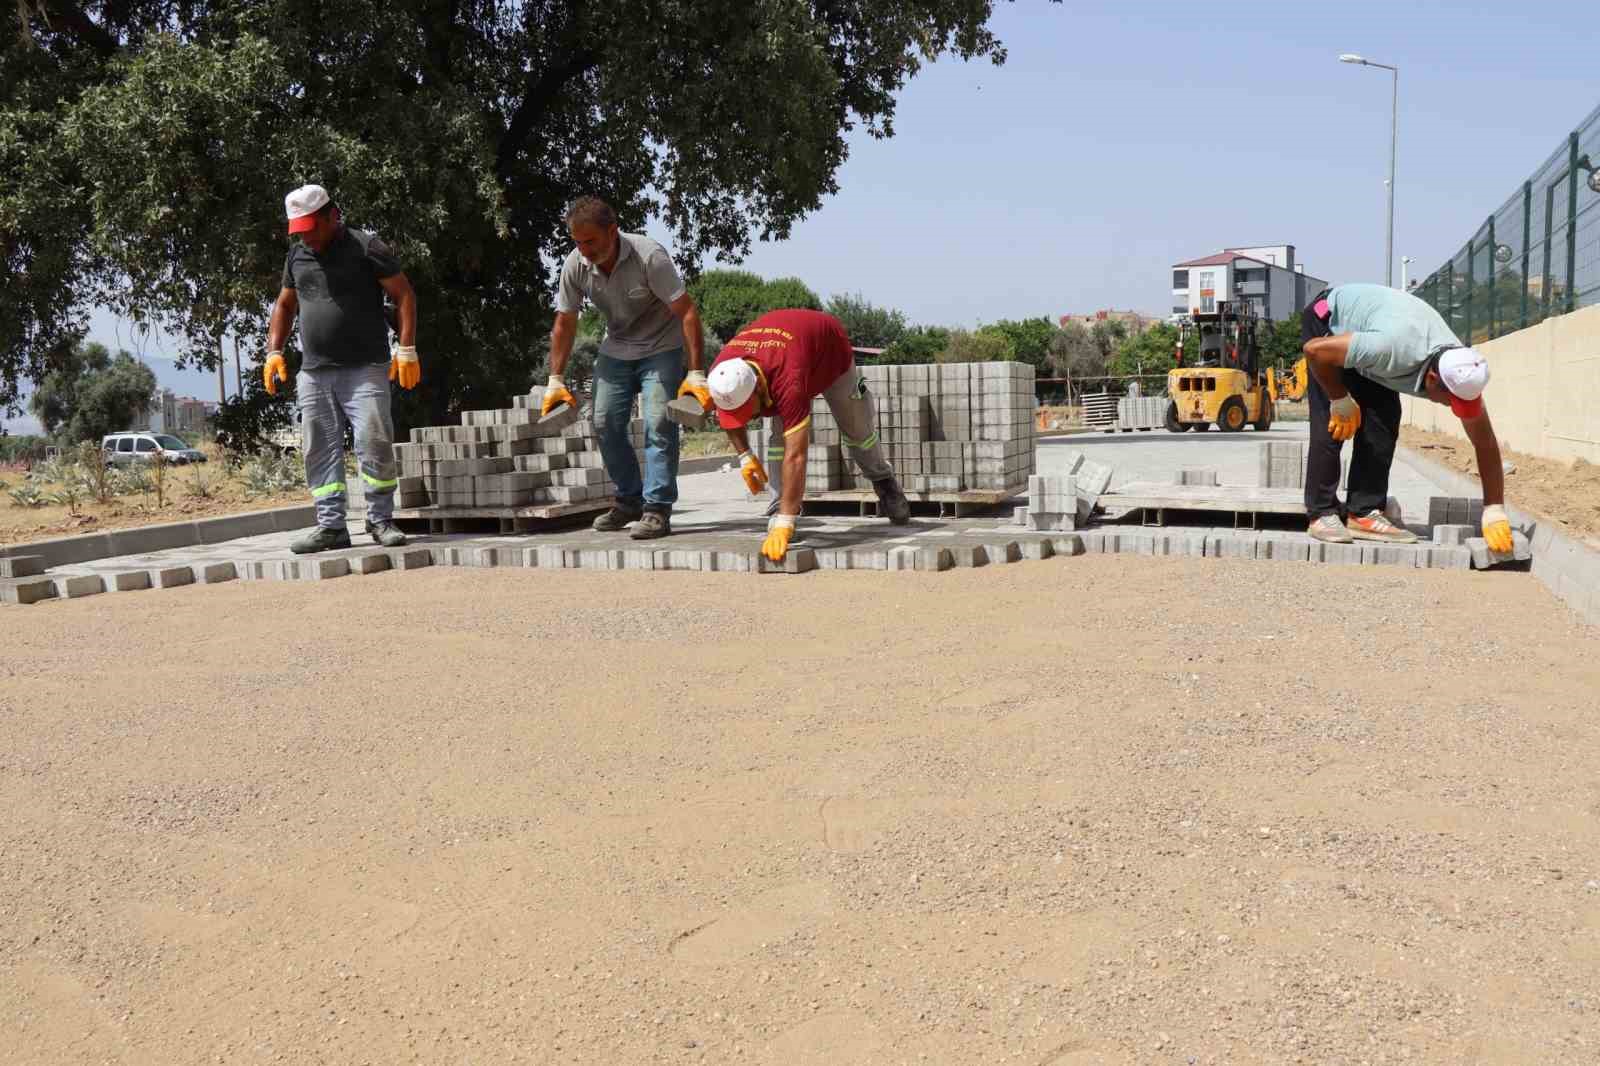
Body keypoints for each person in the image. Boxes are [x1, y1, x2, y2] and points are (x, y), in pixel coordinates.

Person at [264, 183, 419, 554]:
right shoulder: (297, 256)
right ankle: (331, 526)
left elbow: (404, 295)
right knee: (318, 448)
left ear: (331, 217)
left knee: (374, 441)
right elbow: (285, 306)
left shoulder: (367, 248)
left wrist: (408, 348)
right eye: (297, 231)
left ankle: (380, 519)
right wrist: (273, 351)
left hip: (365, 368)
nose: (304, 237)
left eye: (309, 228)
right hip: (314, 372)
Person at [1300, 282, 1513, 552]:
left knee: (1384, 419)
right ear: (1433, 379)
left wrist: (1494, 509)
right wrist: (1339, 398)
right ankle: (1321, 513)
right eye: (1451, 400)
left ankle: (1363, 513)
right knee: (1333, 422)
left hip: (1376, 331)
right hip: (1329, 322)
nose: (1452, 407)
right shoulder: (1390, 349)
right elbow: (1315, 350)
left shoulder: (1462, 369)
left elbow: (1485, 443)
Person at [542, 197, 706, 540]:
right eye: (577, 242)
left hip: (661, 345)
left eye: (591, 241)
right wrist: (555, 379)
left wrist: (695, 373)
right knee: (603, 420)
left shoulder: (649, 256)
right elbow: (565, 322)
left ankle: (657, 508)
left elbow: (687, 313)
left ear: (612, 231)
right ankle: (629, 499)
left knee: (659, 421)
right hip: (616, 348)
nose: (584, 250)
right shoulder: (576, 265)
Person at [706, 308, 910, 563]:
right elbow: (727, 414)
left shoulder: (787, 381)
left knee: (858, 429)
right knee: (777, 440)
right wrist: (745, 456)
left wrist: (786, 522)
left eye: (748, 410)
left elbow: (797, 455)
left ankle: (884, 481)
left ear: (757, 387)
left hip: (829, 354)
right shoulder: (722, 373)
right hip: (790, 353)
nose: (747, 418)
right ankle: (777, 504)